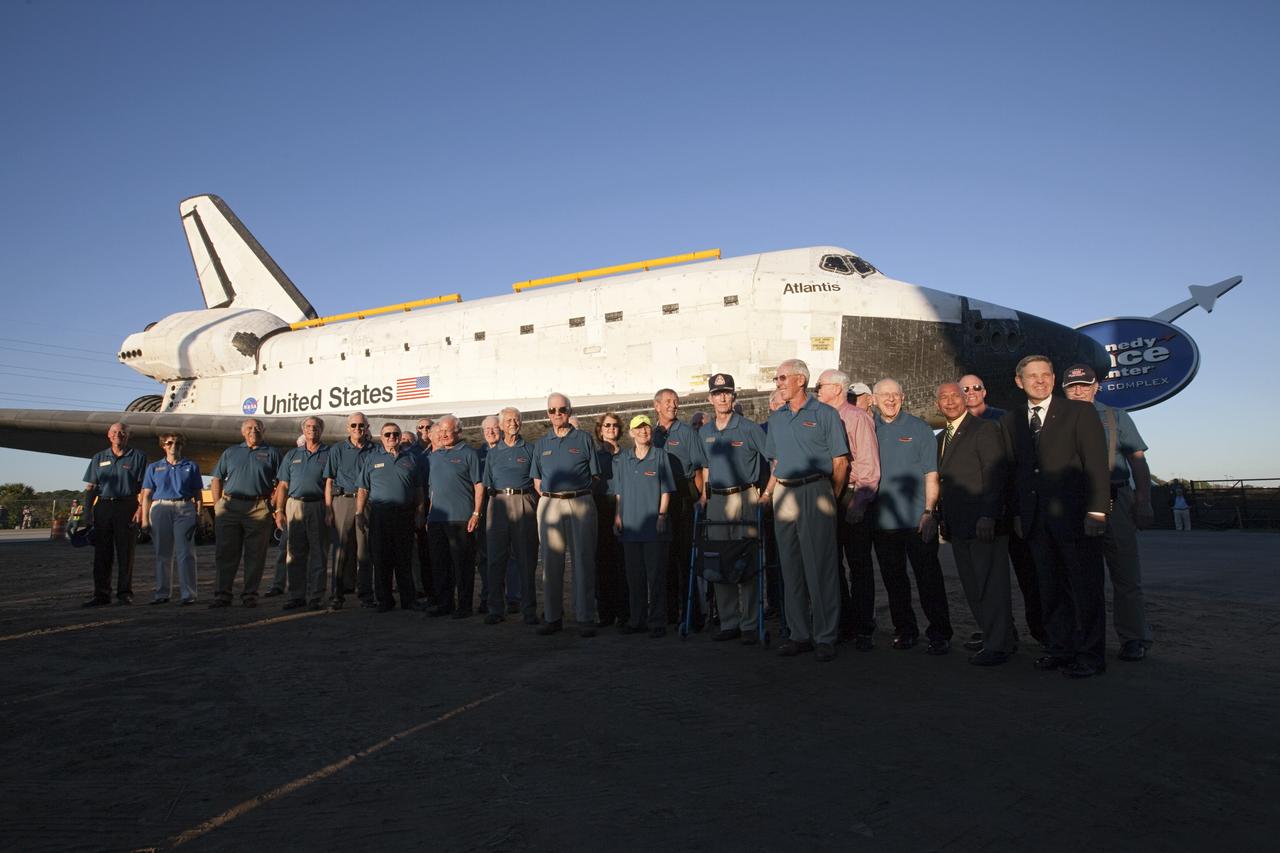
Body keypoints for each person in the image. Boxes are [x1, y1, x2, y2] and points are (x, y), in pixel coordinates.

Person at [1002, 356, 1110, 679]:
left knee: (1085, 589)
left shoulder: (1079, 412)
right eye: (1032, 376)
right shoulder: (1013, 421)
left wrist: (1097, 510)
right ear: (1019, 382)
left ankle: (1090, 655)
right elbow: (1016, 472)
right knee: (1049, 590)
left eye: (1045, 375)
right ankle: (1060, 648)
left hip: (1077, 519)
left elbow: (1096, 464)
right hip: (1036, 522)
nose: (1039, 381)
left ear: (1052, 378)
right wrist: (1020, 514)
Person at [1062, 363, 1154, 662]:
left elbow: (1137, 459)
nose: (1078, 391)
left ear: (1096, 386)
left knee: (1125, 573)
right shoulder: (1056, 419)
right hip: (1074, 502)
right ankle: (1085, 636)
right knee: (1080, 576)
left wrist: (1143, 500)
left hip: (1115, 499)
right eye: (1072, 386)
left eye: (1084, 385)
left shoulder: (1114, 416)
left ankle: (1133, 637)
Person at [760, 359, 849, 661]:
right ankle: (799, 634)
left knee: (820, 567)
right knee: (791, 566)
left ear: (801, 380)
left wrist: (829, 499)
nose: (778, 383)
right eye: (777, 378)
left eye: (782, 377)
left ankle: (825, 636)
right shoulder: (777, 418)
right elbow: (775, 461)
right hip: (784, 491)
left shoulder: (825, 414)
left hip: (815, 490)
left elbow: (840, 462)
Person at [870, 378, 953, 655]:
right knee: (894, 582)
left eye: (895, 395)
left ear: (903, 397)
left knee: (928, 579)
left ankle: (939, 633)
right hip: (883, 522)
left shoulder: (919, 429)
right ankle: (905, 630)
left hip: (917, 520)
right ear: (874, 398)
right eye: (885, 395)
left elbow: (931, 474)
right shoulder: (868, 428)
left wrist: (930, 512)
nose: (890, 400)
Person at [961, 372, 1044, 648]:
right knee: (989, 581)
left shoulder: (1005, 419)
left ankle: (1044, 634)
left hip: (1012, 511)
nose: (971, 392)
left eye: (976, 387)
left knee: (1029, 576)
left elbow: (1021, 466)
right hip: (981, 516)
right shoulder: (958, 426)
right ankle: (999, 633)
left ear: (985, 391)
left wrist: (1021, 510)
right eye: (965, 389)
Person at [934, 383, 1014, 665]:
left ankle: (999, 645)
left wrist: (988, 515)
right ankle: (998, 636)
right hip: (958, 525)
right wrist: (943, 518)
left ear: (965, 399)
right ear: (937, 404)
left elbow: (995, 475)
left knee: (991, 586)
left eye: (955, 396)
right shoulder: (942, 437)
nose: (950, 401)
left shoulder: (984, 429)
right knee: (973, 585)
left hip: (983, 524)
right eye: (944, 398)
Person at [700, 373, 768, 644]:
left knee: (746, 559)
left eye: (727, 392)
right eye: (717, 394)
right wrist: (703, 498)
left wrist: (767, 494)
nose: (722, 397)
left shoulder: (749, 428)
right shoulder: (704, 432)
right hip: (716, 500)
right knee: (720, 560)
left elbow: (773, 461)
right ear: (710, 398)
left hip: (744, 496)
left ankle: (750, 623)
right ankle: (729, 621)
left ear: (734, 396)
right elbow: (705, 467)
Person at [815, 369, 881, 650]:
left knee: (859, 564)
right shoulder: (819, 417)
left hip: (851, 496)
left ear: (838, 389)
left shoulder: (857, 418)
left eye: (821, 385)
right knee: (832, 564)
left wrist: (859, 502)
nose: (816, 389)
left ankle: (864, 627)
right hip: (826, 495)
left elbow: (868, 464)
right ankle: (843, 622)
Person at [532, 392, 601, 637]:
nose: (557, 414)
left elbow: (595, 475)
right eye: (552, 410)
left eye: (562, 409)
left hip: (580, 501)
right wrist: (553, 499)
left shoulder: (583, 438)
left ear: (569, 412)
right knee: (550, 563)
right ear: (547, 414)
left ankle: (585, 617)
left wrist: (576, 496)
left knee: (583, 560)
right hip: (550, 504)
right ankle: (552, 617)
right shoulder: (541, 444)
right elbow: (537, 479)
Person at [612, 414, 675, 637]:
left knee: (656, 576)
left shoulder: (660, 456)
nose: (643, 432)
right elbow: (618, 493)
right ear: (631, 433)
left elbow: (666, 490)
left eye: (646, 428)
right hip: (630, 526)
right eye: (638, 429)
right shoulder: (622, 460)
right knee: (634, 576)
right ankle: (637, 619)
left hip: (654, 527)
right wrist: (617, 517)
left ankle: (657, 621)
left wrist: (661, 515)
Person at [209, 419, 283, 608]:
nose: (253, 431)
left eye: (258, 428)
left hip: (259, 506)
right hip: (230, 506)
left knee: (256, 554)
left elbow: (282, 482)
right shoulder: (231, 452)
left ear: (263, 431)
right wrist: (218, 505)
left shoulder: (273, 453)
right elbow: (217, 478)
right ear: (243, 432)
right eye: (249, 428)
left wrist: (274, 504)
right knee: (225, 553)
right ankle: (222, 594)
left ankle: (250, 594)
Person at [356, 422, 426, 612]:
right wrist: (359, 513)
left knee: (404, 559)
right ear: (381, 437)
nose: (392, 437)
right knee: (381, 559)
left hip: (404, 515)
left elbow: (419, 489)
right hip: (380, 515)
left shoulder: (410, 458)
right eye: (387, 434)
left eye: (395, 434)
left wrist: (420, 512)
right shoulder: (371, 459)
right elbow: (363, 489)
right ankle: (385, 600)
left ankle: (408, 600)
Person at [652, 388, 707, 629]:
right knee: (665, 559)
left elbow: (698, 469)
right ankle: (669, 613)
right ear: (656, 406)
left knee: (686, 559)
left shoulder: (686, 432)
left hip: (684, 496)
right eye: (668, 402)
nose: (673, 406)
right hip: (660, 500)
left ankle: (691, 615)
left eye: (675, 402)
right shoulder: (651, 434)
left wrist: (701, 499)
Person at [482, 407, 540, 625]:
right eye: (508, 420)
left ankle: (529, 610)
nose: (512, 423)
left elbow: (537, 482)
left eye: (516, 419)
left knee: (526, 559)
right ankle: (496, 609)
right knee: (495, 559)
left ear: (521, 423)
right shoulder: (493, 452)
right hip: (497, 504)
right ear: (501, 424)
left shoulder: (530, 449)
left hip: (524, 502)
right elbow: (486, 484)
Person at [423, 415, 484, 618]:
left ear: (458, 431)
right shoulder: (433, 457)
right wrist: (429, 515)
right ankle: (444, 603)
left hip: (461, 518)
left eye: (447, 430)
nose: (443, 434)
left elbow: (478, 485)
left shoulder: (469, 454)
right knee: (440, 564)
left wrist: (476, 513)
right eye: (440, 431)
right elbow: (432, 488)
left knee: (463, 565)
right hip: (437, 519)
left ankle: (464, 606)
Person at [81, 422, 146, 606]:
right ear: (109, 436)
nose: (118, 435)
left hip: (127, 506)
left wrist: (141, 509)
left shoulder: (138, 457)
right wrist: (87, 511)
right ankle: (101, 594)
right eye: (115, 432)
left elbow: (144, 487)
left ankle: (124, 593)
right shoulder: (99, 457)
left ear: (128, 436)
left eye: (122, 432)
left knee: (126, 552)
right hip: (103, 506)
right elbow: (91, 487)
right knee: (102, 553)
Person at [272, 417, 331, 611]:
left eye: (316, 427)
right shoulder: (291, 455)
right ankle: (296, 595)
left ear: (321, 430)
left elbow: (331, 483)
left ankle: (316, 596)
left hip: (318, 506)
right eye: (308, 427)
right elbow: (282, 485)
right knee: (294, 553)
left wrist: (328, 510)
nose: (312, 429)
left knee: (319, 553)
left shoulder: (329, 453)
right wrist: (279, 510)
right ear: (302, 430)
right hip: (295, 505)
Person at [139, 432, 202, 606]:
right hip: (160, 508)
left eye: (177, 443)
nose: (173, 446)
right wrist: (144, 519)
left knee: (186, 552)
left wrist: (198, 514)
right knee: (162, 553)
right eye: (169, 443)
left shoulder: (192, 466)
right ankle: (162, 593)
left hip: (184, 507)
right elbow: (146, 495)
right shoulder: (153, 468)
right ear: (163, 446)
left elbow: (197, 493)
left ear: (182, 446)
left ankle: (188, 594)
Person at [325, 412, 374, 608]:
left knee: (365, 550)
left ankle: (366, 594)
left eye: (361, 425)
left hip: (367, 502)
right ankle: (337, 595)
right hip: (343, 501)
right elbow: (328, 481)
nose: (357, 429)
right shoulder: (337, 450)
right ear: (348, 428)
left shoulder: (374, 450)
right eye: (353, 425)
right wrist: (328, 509)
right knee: (340, 550)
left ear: (367, 427)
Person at [593, 412, 627, 628]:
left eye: (615, 425)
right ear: (600, 429)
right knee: (602, 562)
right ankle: (605, 613)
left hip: (623, 508)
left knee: (623, 563)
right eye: (607, 425)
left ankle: (625, 612)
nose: (611, 429)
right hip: (600, 508)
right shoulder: (594, 457)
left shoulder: (628, 455)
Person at [411, 417, 435, 604]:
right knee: (422, 551)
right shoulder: (411, 454)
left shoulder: (440, 449)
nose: (425, 430)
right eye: (421, 427)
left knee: (438, 550)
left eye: (429, 427)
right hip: (420, 505)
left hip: (440, 505)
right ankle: (424, 590)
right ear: (417, 430)